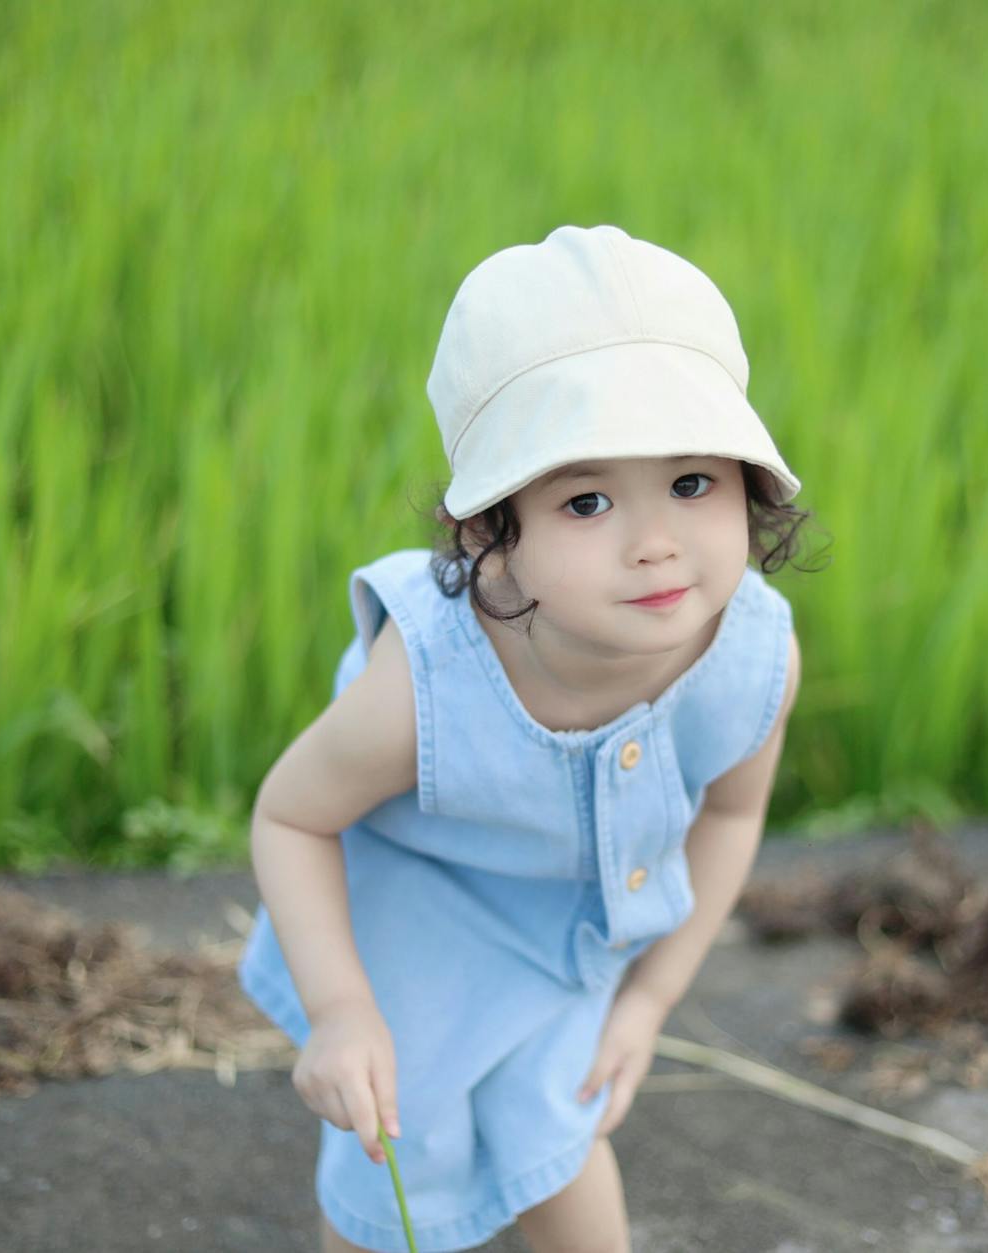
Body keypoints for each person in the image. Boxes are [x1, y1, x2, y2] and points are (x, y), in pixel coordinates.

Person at [237, 223, 819, 1253]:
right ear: (488, 537)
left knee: (558, 1124)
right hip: (423, 902)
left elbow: (729, 817)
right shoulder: (423, 688)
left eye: (693, 482)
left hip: (577, 918)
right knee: (400, 1141)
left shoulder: (752, 660)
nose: (655, 542)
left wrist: (648, 1000)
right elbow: (290, 816)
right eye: (585, 499)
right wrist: (342, 1010)